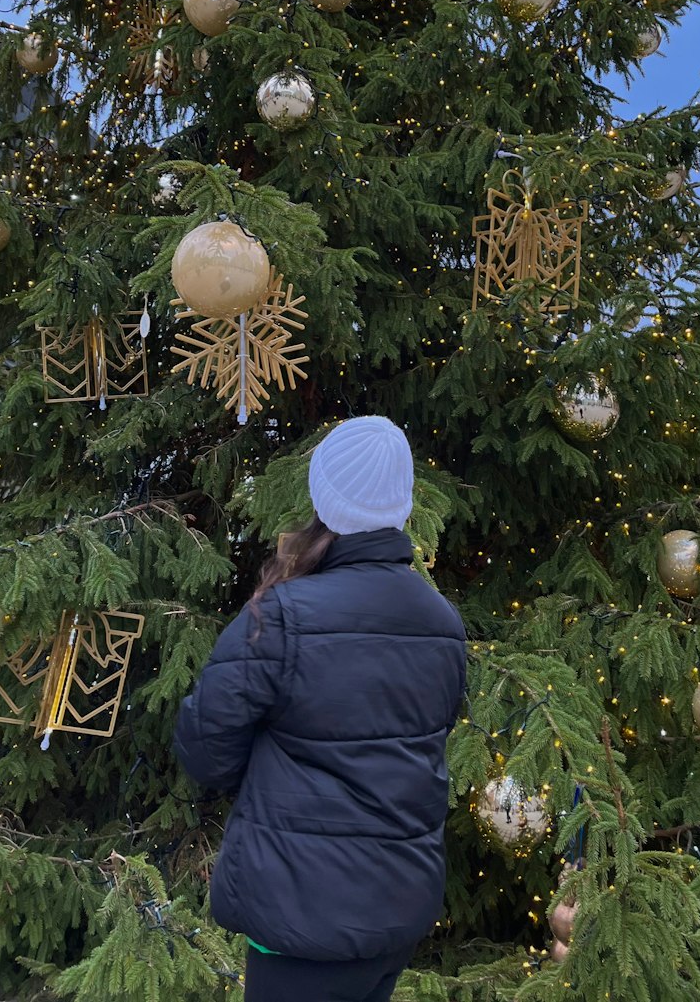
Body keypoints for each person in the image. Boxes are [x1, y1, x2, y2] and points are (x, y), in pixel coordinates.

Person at [174, 415, 467, 1002]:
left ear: (323, 499)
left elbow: (205, 746)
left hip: (299, 913)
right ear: (402, 504)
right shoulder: (442, 624)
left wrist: (269, 781)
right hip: (395, 908)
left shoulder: (282, 616)